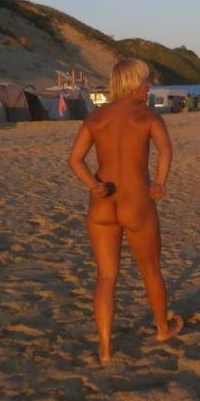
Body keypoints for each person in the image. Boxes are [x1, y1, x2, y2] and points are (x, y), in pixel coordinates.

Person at [68, 59, 183, 364]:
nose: (149, 87)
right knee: (150, 270)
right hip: (136, 203)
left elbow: (75, 160)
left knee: (106, 276)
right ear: (134, 85)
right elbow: (165, 151)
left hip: (102, 202)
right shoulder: (148, 117)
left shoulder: (96, 118)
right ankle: (161, 328)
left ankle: (105, 347)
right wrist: (159, 183)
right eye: (146, 82)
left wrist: (92, 184)